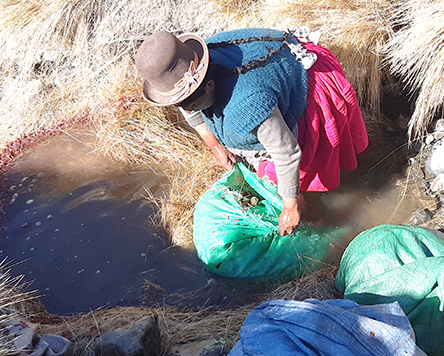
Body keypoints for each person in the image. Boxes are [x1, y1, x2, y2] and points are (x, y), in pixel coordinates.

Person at [134, 28, 369, 236]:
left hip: (307, 82)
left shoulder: (247, 106)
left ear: (209, 86)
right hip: (275, 71)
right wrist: (214, 143)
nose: (186, 110)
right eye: (179, 103)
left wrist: (290, 207)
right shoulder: (195, 62)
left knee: (294, 179)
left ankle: (313, 216)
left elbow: (287, 153)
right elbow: (189, 106)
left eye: (191, 104)